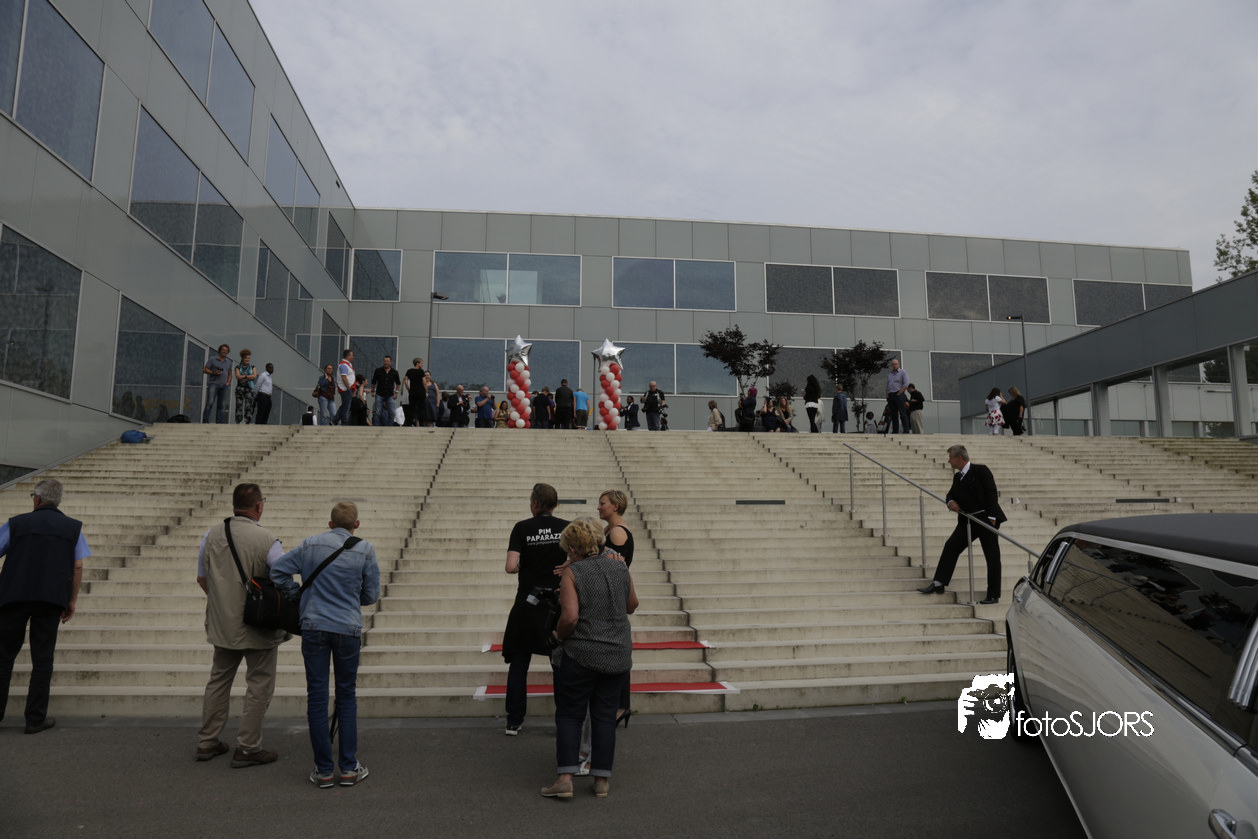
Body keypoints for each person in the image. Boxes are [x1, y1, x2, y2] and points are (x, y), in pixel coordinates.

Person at [271, 501, 380, 788]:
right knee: (346, 696)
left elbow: (278, 571)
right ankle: (348, 767)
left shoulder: (310, 544)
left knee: (317, 697)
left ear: (330, 524)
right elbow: (371, 595)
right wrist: (349, 598)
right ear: (356, 525)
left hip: (314, 626)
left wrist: (297, 594)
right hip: (347, 628)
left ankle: (323, 770)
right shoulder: (365, 549)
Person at [540, 519, 638, 800]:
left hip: (581, 653)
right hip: (617, 654)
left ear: (573, 548)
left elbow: (570, 617)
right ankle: (601, 781)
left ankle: (565, 779)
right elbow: (632, 605)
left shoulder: (573, 572)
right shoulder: (620, 567)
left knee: (570, 714)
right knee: (605, 716)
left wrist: (557, 637)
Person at [195, 483, 287, 767]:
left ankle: (207, 741)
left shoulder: (211, 535)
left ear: (235, 505)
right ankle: (248, 747)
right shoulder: (267, 539)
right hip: (258, 624)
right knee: (259, 684)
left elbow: (202, 579)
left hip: (223, 624)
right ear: (259, 505)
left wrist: (224, 604)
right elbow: (283, 580)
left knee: (219, 680)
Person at [0, 478, 89, 734]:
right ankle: (35, 718)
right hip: (51, 598)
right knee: (43, 658)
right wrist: (71, 600)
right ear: (57, 501)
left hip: (14, 596)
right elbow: (78, 566)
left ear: (37, 499)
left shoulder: (16, 523)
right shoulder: (73, 528)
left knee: (3, 656)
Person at [502, 483, 570, 735]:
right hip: (556, 603)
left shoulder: (522, 528)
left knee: (519, 662)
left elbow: (510, 566)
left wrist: (526, 566)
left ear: (534, 502)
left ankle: (513, 721)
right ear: (554, 505)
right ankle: (564, 720)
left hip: (527, 603)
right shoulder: (566, 527)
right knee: (558, 664)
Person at [919, 445, 1006, 605]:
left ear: (959, 458)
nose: (949, 461)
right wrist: (951, 502)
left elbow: (991, 492)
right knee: (951, 546)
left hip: (985, 518)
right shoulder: (957, 477)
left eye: (950, 458)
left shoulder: (981, 470)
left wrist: (992, 517)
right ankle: (939, 583)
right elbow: (950, 494)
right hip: (968, 520)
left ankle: (993, 595)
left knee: (992, 555)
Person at [597, 491, 635, 726]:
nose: (598, 507)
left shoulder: (617, 532)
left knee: (617, 649)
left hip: (613, 593)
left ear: (616, 506)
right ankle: (620, 704)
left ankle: (622, 705)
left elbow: (613, 565)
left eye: (602, 503)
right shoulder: (611, 530)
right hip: (611, 591)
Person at [202, 344, 233, 424]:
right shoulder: (213, 359)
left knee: (221, 405)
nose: (225, 351)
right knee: (210, 402)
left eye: (226, 350)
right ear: (219, 350)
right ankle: (205, 421)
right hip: (214, 384)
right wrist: (214, 373)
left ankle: (219, 422)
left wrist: (228, 383)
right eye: (223, 350)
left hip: (224, 385)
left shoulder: (229, 362)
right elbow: (205, 369)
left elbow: (230, 373)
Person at [370, 356, 401, 427]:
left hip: (390, 395)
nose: (386, 363)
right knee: (377, 412)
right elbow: (373, 382)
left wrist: (396, 392)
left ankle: (390, 427)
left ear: (390, 362)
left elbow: (398, 383)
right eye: (384, 361)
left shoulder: (394, 372)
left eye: (387, 361)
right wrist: (373, 391)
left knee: (392, 412)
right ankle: (376, 426)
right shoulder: (378, 371)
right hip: (379, 394)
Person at [885, 358, 909, 433]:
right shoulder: (890, 374)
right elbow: (887, 385)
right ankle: (895, 431)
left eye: (896, 364)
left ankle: (906, 431)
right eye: (893, 364)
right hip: (891, 396)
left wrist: (899, 393)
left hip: (899, 394)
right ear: (891, 365)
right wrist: (887, 394)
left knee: (902, 413)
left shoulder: (903, 372)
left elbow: (906, 384)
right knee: (893, 414)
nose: (894, 365)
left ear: (899, 364)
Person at [234, 349, 258, 424]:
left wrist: (243, 377)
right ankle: (238, 421)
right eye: (246, 358)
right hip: (240, 388)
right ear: (242, 358)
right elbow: (238, 376)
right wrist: (248, 377)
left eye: (248, 358)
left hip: (249, 388)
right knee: (239, 405)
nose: (247, 359)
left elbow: (254, 376)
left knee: (248, 406)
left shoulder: (252, 367)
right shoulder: (238, 367)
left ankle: (247, 421)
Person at [403, 358, 426, 427]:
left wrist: (409, 389)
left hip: (412, 392)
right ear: (417, 363)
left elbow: (405, 381)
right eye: (421, 363)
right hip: (421, 392)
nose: (422, 365)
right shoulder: (421, 371)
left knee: (411, 408)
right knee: (421, 409)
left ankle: (409, 424)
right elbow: (424, 382)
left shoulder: (409, 371)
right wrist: (426, 391)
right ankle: (421, 424)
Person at [335, 350, 355, 426]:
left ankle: (334, 421)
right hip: (345, 389)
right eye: (352, 355)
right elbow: (344, 377)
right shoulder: (343, 365)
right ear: (348, 356)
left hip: (348, 389)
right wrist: (348, 387)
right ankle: (344, 422)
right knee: (346, 407)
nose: (353, 357)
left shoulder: (348, 364)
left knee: (344, 405)